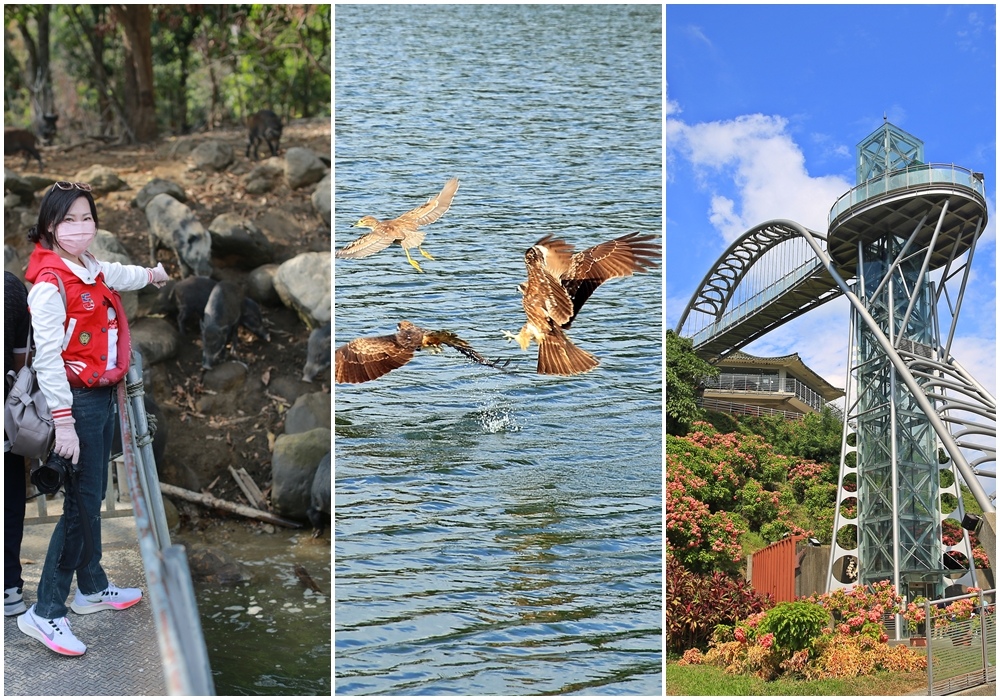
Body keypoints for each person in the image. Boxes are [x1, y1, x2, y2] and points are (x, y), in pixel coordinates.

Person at [16, 181, 169, 657]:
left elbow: (118, 274)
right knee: (81, 508)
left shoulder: (86, 266)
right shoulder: (49, 284)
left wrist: (151, 274)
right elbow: (47, 360)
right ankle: (45, 612)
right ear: (49, 227)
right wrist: (63, 424)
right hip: (76, 404)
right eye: (69, 221)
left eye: (87, 219)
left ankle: (92, 586)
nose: (80, 229)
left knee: (93, 494)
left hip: (101, 395)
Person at [4, 271, 31, 617]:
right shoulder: (10, 289)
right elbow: (23, 360)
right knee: (9, 497)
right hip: (4, 419)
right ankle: (9, 586)